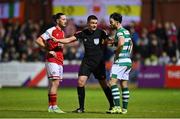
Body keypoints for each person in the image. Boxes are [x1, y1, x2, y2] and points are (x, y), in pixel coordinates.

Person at [52, 15, 114, 113]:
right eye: (92, 23)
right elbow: (69, 39)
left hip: (99, 63)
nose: (94, 25)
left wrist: (113, 40)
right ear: (88, 23)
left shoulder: (101, 32)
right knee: (80, 82)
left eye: (95, 23)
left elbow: (109, 40)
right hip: (87, 62)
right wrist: (58, 40)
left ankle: (112, 106)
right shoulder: (82, 33)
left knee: (104, 85)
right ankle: (81, 108)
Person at [35, 13, 67, 113]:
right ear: (57, 21)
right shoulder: (51, 30)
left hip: (60, 60)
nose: (65, 21)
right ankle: (54, 106)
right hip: (51, 59)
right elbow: (38, 40)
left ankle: (50, 107)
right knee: (55, 82)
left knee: (52, 84)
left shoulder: (62, 32)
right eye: (63, 19)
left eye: (66, 19)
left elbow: (59, 45)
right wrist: (47, 50)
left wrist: (61, 47)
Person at [107, 12, 133, 114]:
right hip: (128, 60)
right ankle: (124, 109)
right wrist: (114, 42)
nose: (110, 24)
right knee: (124, 84)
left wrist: (116, 52)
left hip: (120, 61)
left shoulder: (119, 32)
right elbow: (130, 44)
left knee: (112, 82)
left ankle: (117, 107)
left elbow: (121, 43)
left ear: (117, 22)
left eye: (111, 22)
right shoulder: (126, 31)